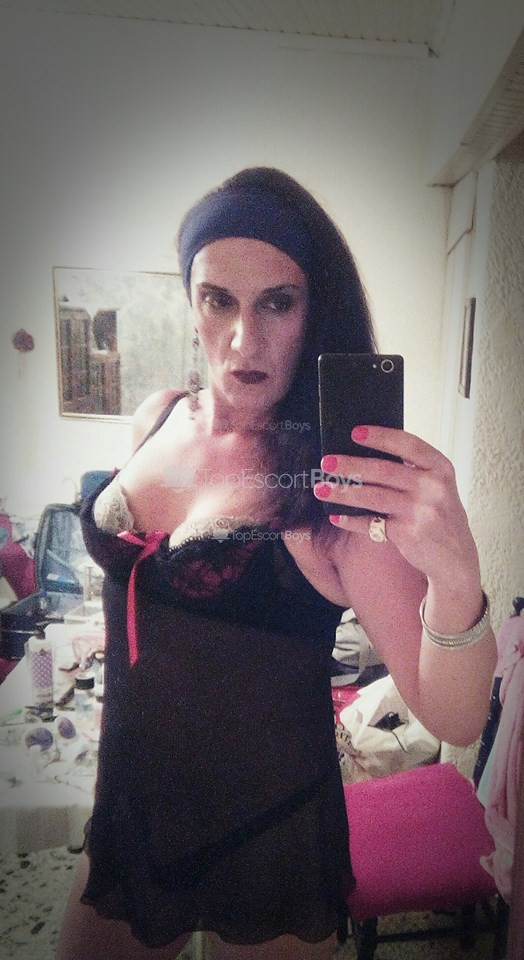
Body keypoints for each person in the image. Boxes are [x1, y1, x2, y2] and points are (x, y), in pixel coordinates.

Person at [57, 167, 497, 960]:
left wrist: (456, 577)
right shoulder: (157, 417)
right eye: (218, 299)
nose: (242, 339)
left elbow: (456, 717)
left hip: (268, 835)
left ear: (313, 309)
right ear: (190, 300)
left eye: (277, 303)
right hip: (129, 815)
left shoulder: (332, 492)